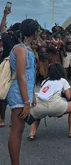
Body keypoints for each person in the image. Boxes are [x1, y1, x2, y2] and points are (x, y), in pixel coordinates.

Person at [7, 19, 39, 165]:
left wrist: (32, 96)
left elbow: (30, 75)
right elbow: (21, 77)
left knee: (19, 131)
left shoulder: (27, 49)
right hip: (19, 94)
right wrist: (26, 102)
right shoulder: (20, 49)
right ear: (34, 32)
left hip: (25, 93)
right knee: (16, 131)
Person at [28, 63, 71, 140]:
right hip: (55, 106)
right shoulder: (63, 81)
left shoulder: (45, 81)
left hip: (39, 106)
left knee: (37, 116)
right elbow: (69, 97)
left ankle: (32, 134)